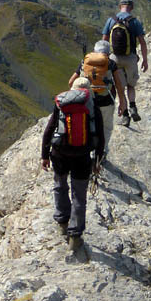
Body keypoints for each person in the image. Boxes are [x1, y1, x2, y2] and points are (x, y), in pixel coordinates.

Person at [41, 77, 105, 251]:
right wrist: (97, 161)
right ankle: (75, 237)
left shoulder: (62, 105)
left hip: (59, 153)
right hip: (82, 156)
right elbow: (100, 138)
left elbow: (49, 130)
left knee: (60, 185)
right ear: (87, 92)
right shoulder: (93, 108)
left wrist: (44, 155)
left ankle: (62, 222)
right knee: (79, 195)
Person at [68, 40, 126, 151]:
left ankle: (86, 149)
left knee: (88, 126)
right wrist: (122, 102)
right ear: (108, 53)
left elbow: (71, 82)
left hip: (86, 102)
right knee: (106, 128)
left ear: (94, 51)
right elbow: (118, 84)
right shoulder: (111, 64)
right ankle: (102, 152)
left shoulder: (84, 62)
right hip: (106, 102)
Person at [102, 0, 148, 126]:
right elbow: (142, 42)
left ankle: (125, 116)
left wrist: (105, 59)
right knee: (131, 85)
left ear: (119, 6)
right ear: (131, 7)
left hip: (115, 59)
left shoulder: (111, 20)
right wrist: (145, 60)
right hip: (130, 58)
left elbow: (104, 40)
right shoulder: (134, 22)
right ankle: (133, 106)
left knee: (119, 88)